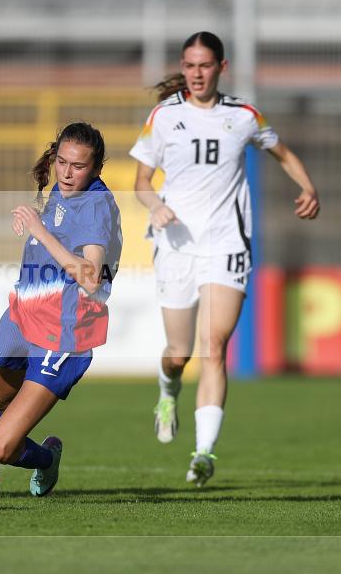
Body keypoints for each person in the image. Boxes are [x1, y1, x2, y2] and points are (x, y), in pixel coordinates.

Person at [130, 32, 320, 486]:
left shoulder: (243, 116)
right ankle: (167, 391)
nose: (197, 74)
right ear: (184, 66)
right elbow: (141, 181)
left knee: (213, 348)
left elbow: (284, 153)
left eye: (205, 65)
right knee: (179, 354)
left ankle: (203, 453)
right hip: (176, 245)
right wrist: (154, 205)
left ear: (221, 67)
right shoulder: (163, 117)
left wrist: (308, 187)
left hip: (226, 245)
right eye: (190, 65)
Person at [0, 122, 122, 496]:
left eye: (79, 166)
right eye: (62, 162)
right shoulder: (63, 188)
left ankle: (45, 459)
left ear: (98, 169)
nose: (68, 173)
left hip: (64, 329)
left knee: (2, 446)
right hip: (24, 315)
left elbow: (90, 279)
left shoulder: (96, 206)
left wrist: (40, 231)